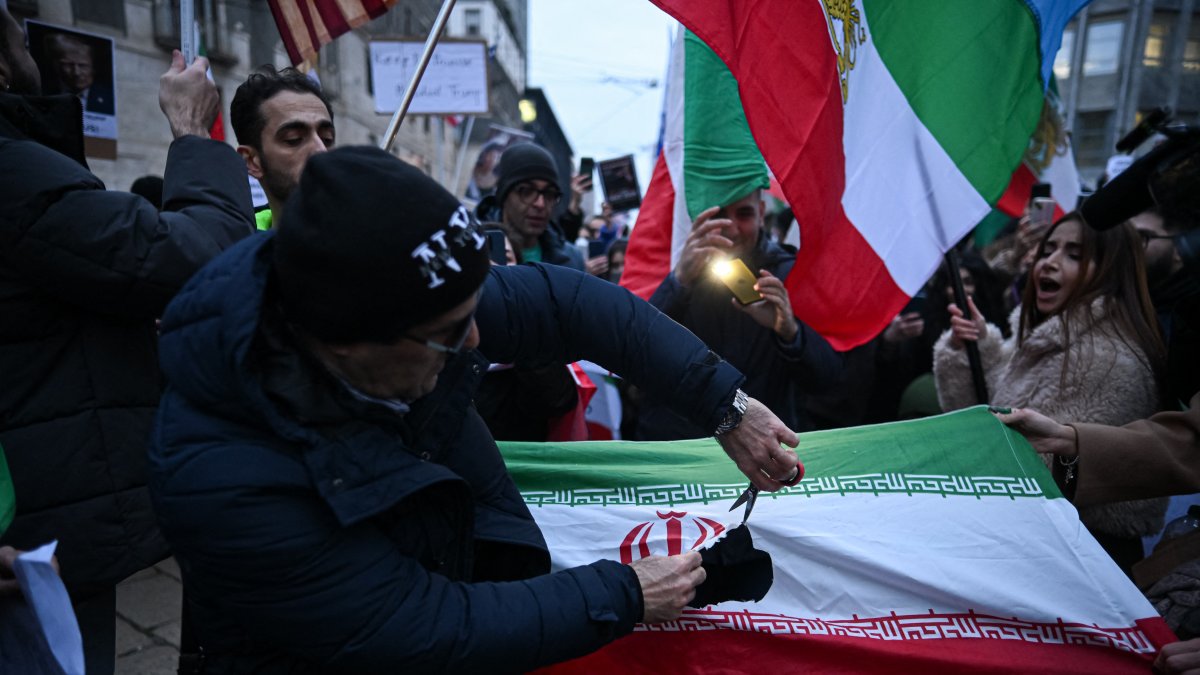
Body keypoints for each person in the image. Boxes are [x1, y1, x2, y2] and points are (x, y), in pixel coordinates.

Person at [148, 146, 801, 672]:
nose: (479, 341)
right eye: (451, 331)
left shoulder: (412, 300)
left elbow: (566, 304)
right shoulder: (221, 477)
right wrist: (627, 592)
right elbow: (423, 629)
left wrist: (726, 405)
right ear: (349, 344)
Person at [0, 5, 255, 671]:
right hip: (34, 540)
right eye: (13, 28)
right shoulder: (14, 177)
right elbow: (200, 257)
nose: (32, 40)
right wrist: (195, 137)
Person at [934, 213, 1168, 575]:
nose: (1050, 263)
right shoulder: (1042, 342)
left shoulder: (1110, 361)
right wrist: (977, 351)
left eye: (1074, 254)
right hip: (1031, 541)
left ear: (1111, 271)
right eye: (1049, 249)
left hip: (1080, 554)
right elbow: (982, 413)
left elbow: (1066, 480)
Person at [635, 189, 843, 440]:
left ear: (762, 213)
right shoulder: (673, 269)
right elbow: (636, 354)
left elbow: (826, 380)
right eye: (719, 216)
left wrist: (790, 332)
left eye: (744, 214)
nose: (731, 229)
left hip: (766, 446)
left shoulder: (793, 274)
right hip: (683, 445)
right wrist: (679, 281)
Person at [229, 64, 334, 230]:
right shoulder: (237, 250)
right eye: (294, 139)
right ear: (251, 161)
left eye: (327, 139)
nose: (321, 150)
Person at [475, 142, 585, 270]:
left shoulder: (572, 260)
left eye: (549, 194)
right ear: (503, 195)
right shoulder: (472, 249)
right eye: (526, 192)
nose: (540, 204)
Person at [43, 32, 112, 114]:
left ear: (93, 68)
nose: (76, 73)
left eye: (83, 66)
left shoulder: (109, 99)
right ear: (56, 65)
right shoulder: (43, 94)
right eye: (68, 64)